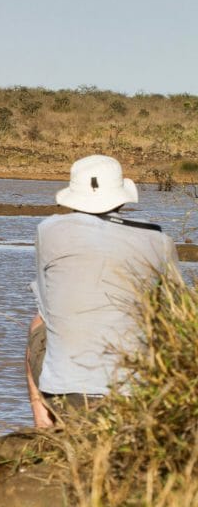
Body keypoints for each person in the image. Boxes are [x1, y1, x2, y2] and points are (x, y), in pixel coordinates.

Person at [26, 155, 179, 427]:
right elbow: (172, 317)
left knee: (38, 322)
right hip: (135, 395)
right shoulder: (161, 241)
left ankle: (43, 420)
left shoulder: (48, 230)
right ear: (121, 198)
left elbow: (47, 310)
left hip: (66, 396)